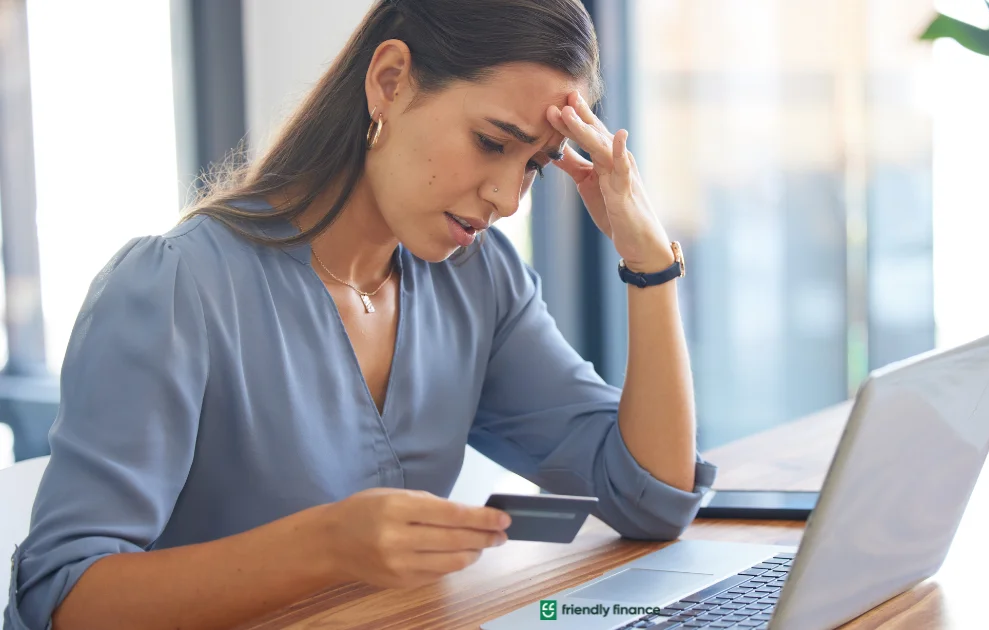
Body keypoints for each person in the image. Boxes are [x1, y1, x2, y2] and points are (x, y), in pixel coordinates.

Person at [3, 1, 716, 629]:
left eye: (536, 162)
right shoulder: (176, 288)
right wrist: (324, 546)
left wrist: (649, 263)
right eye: (493, 143)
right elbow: (65, 602)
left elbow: (649, 498)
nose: (508, 197)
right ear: (389, 81)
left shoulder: (476, 280)